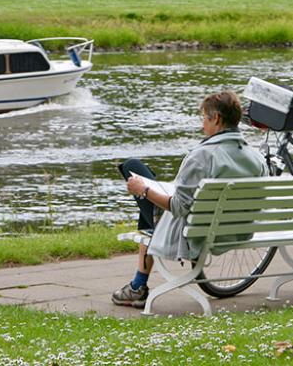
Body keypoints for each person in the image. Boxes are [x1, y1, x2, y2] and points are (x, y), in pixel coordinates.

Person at [112, 90, 267, 308]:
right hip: (238, 230)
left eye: (204, 117)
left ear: (216, 119)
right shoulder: (256, 157)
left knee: (133, 169)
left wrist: (143, 191)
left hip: (192, 233)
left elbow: (177, 206)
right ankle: (137, 285)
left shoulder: (201, 156)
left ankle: (138, 286)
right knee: (149, 194)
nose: (202, 124)